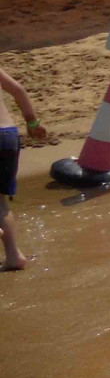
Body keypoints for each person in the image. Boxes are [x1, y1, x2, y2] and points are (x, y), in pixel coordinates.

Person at [1, 68, 48, 271]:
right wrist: (32, 121)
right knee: (0, 201)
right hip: (8, 135)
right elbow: (18, 90)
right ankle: (14, 255)